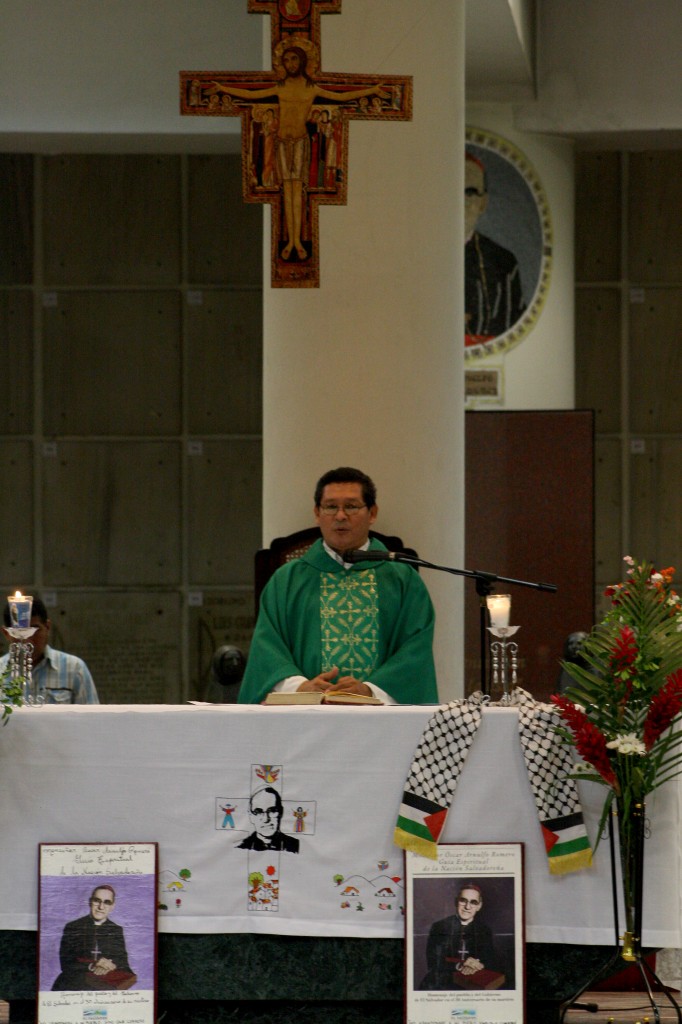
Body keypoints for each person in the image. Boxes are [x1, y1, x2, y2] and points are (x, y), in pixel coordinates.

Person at [238, 467, 438, 705]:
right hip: (306, 716)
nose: (340, 516)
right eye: (331, 507)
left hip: (380, 717)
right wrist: (300, 687)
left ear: (372, 513)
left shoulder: (402, 580)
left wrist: (370, 690)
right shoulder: (286, 581)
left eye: (351, 506)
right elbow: (267, 649)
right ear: (317, 513)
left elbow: (415, 651)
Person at [208, 47, 386, 261]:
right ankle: (291, 241)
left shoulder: (312, 89)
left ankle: (297, 241)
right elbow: (251, 94)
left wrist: (371, 90)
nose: (290, 63)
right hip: (282, 142)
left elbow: (342, 96)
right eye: (286, 60)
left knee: (297, 192)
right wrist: (222, 88)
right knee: (287, 191)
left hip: (301, 142)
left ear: (302, 61)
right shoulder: (280, 87)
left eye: (294, 59)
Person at [464, 151, 526, 344]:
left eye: (470, 192)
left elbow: (516, 336)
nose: (460, 201)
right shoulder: (412, 259)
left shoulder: (503, 263)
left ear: (483, 203)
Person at [0, 597, 99, 704]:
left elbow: (90, 713)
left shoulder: (74, 669)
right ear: (7, 633)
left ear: (47, 627)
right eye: (19, 632)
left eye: (35, 630)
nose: (27, 639)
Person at [52, 884, 136, 991]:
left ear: (112, 906)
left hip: (104, 987)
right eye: (97, 901)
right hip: (73, 986)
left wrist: (111, 965)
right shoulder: (73, 927)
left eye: (107, 902)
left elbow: (123, 963)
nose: (101, 907)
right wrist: (92, 965)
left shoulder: (116, 930)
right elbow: (66, 963)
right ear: (90, 902)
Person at [419, 883, 501, 990]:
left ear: (479, 906)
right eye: (463, 900)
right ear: (456, 902)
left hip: (473, 983)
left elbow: (489, 961)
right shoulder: (439, 927)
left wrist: (479, 964)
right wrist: (461, 965)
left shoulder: (484, 930)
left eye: (473, 902)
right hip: (442, 984)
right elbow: (433, 962)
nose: (467, 907)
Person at [236, 785, 299, 853]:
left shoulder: (296, 846)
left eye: (272, 811)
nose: (266, 819)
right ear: (251, 816)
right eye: (258, 812)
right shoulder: (240, 847)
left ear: (281, 812)